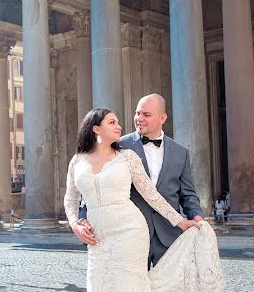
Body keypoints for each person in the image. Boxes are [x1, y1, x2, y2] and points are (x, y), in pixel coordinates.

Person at [64, 107, 224, 292]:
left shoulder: (127, 157)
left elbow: (152, 194)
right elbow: (70, 199)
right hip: (98, 240)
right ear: (95, 129)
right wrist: (75, 225)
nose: (120, 125)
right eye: (112, 122)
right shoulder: (77, 160)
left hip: (129, 233)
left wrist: (181, 220)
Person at [75, 94, 204, 269]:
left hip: (169, 235)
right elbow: (93, 184)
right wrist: (82, 219)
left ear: (162, 118)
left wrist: (196, 216)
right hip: (128, 235)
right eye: (137, 113)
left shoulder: (181, 152)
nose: (139, 119)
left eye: (146, 115)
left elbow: (188, 194)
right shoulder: (117, 146)